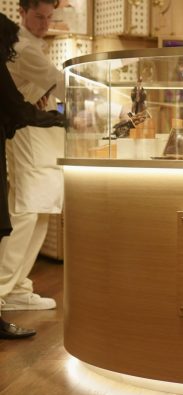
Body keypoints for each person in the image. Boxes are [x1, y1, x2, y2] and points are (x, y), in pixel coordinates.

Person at [0, 12, 64, 338]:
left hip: (34, 132)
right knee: (25, 211)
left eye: (49, 16)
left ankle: (16, 287)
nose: (45, 22)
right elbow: (61, 80)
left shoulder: (30, 47)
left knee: (37, 211)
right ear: (23, 13)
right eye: (39, 16)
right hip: (25, 133)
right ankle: (3, 290)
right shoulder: (23, 48)